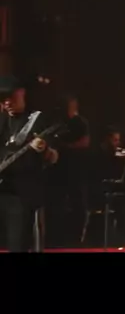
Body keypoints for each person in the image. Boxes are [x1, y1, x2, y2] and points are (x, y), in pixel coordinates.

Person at [0, 77, 59, 251]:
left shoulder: (36, 119)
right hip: (3, 189)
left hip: (21, 196)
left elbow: (54, 157)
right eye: (3, 99)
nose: (7, 102)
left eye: (11, 97)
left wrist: (44, 149)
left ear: (22, 92)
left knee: (17, 245)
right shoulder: (2, 119)